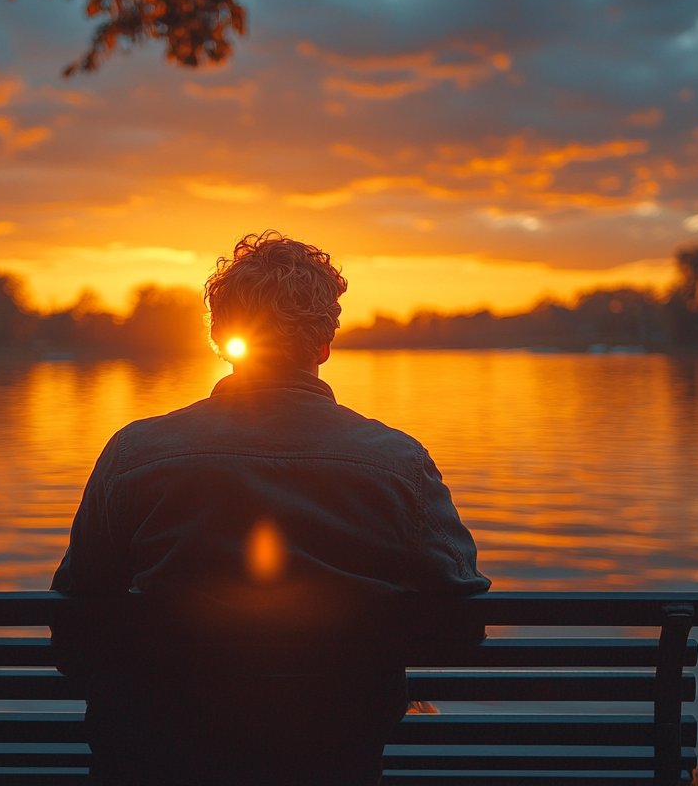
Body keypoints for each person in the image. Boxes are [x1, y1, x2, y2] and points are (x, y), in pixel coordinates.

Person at [51, 230, 489, 785]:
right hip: (332, 758)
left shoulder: (135, 453)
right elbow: (462, 623)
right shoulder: (397, 462)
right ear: (325, 344)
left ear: (219, 336)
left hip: (157, 756)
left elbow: (74, 621)